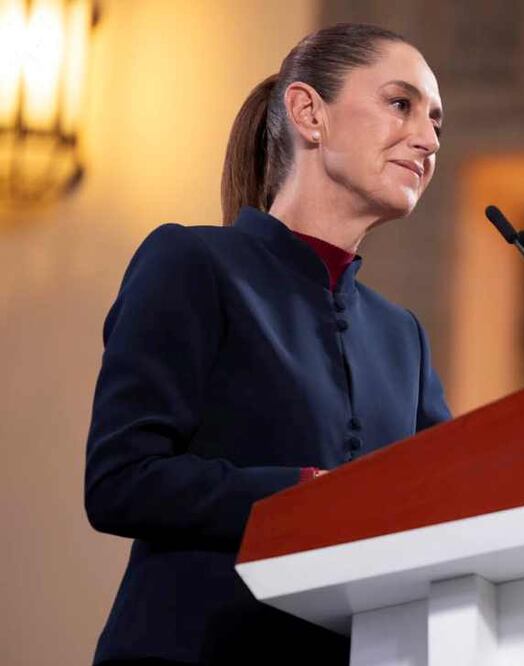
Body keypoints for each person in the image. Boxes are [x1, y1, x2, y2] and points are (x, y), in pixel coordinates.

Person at [84, 23, 449, 665]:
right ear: (310, 112)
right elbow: (121, 479)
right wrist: (306, 494)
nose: (427, 139)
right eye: (401, 104)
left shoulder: (403, 339)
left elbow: (450, 503)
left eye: (436, 123)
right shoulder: (192, 262)